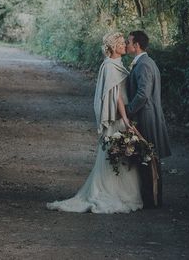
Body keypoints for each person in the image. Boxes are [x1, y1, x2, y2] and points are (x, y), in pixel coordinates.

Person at [47, 31, 143, 214]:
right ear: (114, 46)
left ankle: (122, 191)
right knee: (115, 154)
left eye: (125, 43)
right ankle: (110, 192)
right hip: (117, 117)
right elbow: (116, 98)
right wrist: (125, 118)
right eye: (122, 43)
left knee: (122, 155)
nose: (125, 46)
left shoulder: (117, 64)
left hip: (123, 116)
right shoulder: (109, 66)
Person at [125, 30, 171, 207]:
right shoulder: (145, 62)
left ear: (136, 45)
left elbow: (143, 94)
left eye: (129, 42)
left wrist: (128, 110)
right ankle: (152, 198)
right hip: (148, 115)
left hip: (146, 117)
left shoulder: (144, 65)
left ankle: (152, 200)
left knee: (149, 158)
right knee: (148, 157)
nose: (127, 45)